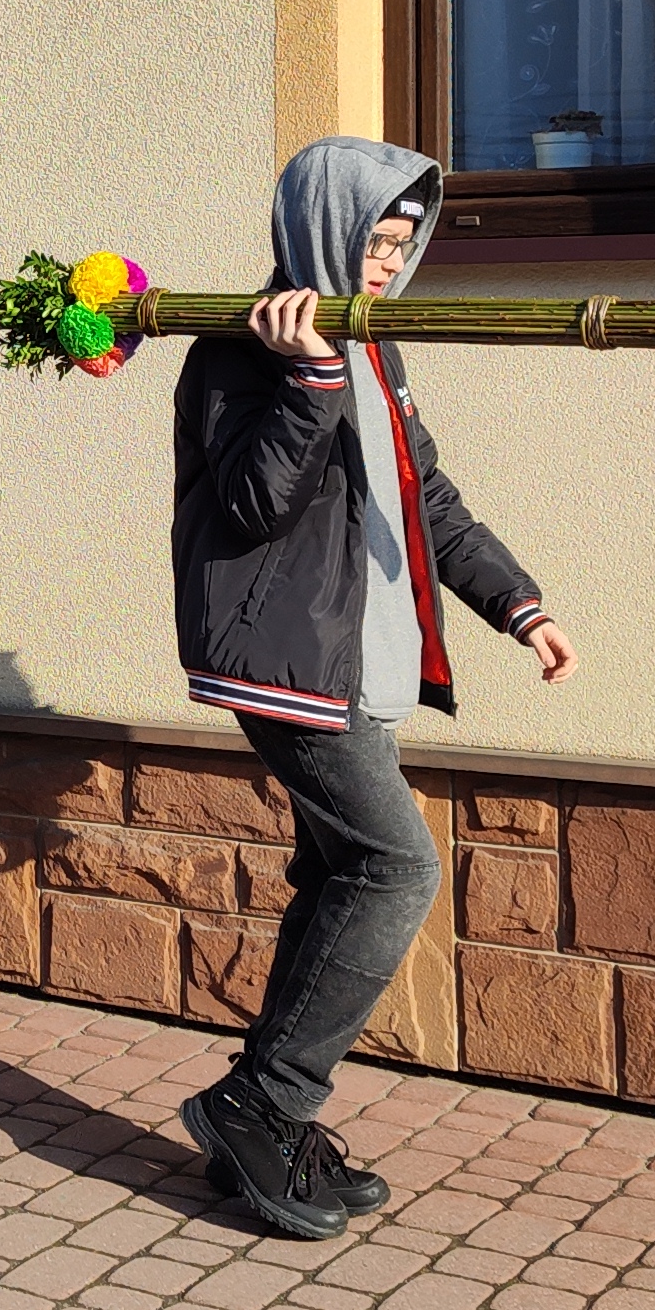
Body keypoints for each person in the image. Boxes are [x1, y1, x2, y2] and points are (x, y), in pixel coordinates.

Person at [169, 134, 576, 1238]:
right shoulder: (235, 348)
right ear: (323, 232)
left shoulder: (373, 344)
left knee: (339, 872)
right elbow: (252, 505)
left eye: (403, 245)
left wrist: (515, 603)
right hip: (289, 664)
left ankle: (266, 1120)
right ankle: (264, 1103)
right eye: (375, 242)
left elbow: (423, 492)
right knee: (395, 867)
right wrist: (306, 381)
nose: (390, 264)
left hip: (361, 659)